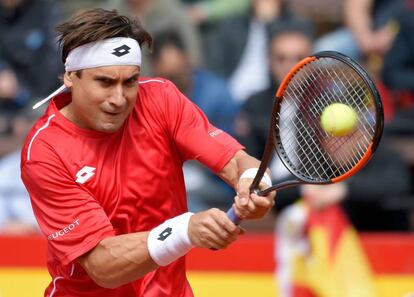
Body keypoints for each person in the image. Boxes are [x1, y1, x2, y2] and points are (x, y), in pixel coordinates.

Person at [20, 8, 276, 297]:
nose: (118, 99)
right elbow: (102, 265)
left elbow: (237, 162)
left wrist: (254, 184)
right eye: (104, 82)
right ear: (70, 76)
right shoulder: (44, 150)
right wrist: (184, 231)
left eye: (130, 82)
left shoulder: (161, 98)